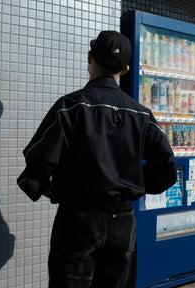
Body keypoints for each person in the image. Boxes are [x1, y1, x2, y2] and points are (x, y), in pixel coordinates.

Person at [17, 30, 177, 288]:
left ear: (89, 58)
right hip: (124, 221)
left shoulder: (70, 106)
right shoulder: (142, 115)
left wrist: (50, 188)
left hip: (78, 217)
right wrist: (132, 184)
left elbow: (37, 161)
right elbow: (167, 170)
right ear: (125, 70)